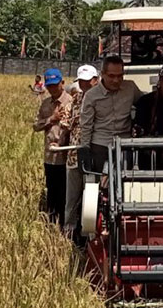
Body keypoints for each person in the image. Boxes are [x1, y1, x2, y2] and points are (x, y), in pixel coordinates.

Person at [79, 55, 143, 172]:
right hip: (100, 146)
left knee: (125, 182)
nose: (116, 80)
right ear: (102, 74)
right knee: (100, 183)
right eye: (111, 76)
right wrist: (85, 150)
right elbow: (86, 125)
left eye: (120, 76)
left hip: (125, 144)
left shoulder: (131, 88)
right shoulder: (91, 95)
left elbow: (145, 106)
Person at [57, 64, 99, 239]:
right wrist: (60, 145)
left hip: (95, 156)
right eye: (81, 82)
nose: (84, 85)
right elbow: (66, 125)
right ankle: (69, 231)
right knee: (71, 198)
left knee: (92, 198)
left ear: (95, 80)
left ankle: (89, 234)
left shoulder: (102, 99)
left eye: (87, 81)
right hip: (74, 154)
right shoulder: (75, 100)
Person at [33, 68, 72, 227]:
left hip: (67, 156)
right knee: (52, 190)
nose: (53, 89)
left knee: (66, 192)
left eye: (56, 85)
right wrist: (52, 118)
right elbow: (36, 126)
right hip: (50, 156)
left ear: (62, 83)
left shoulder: (71, 102)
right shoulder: (45, 104)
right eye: (50, 86)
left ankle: (65, 224)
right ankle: (51, 222)